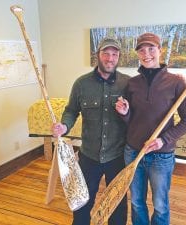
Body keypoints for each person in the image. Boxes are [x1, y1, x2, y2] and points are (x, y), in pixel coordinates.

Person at [115, 32, 186, 225]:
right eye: (141, 50)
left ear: (160, 50)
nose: (146, 53)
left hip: (162, 155)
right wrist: (125, 113)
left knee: (160, 205)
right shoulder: (132, 84)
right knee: (136, 202)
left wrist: (163, 140)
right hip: (134, 152)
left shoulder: (177, 83)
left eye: (151, 48)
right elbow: (131, 121)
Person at [52, 37, 129, 225]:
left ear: (119, 57)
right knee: (82, 203)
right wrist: (64, 125)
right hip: (89, 157)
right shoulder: (81, 84)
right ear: (98, 55)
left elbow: (136, 116)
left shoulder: (128, 84)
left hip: (117, 157)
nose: (110, 58)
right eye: (106, 53)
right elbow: (71, 111)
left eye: (115, 54)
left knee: (117, 205)